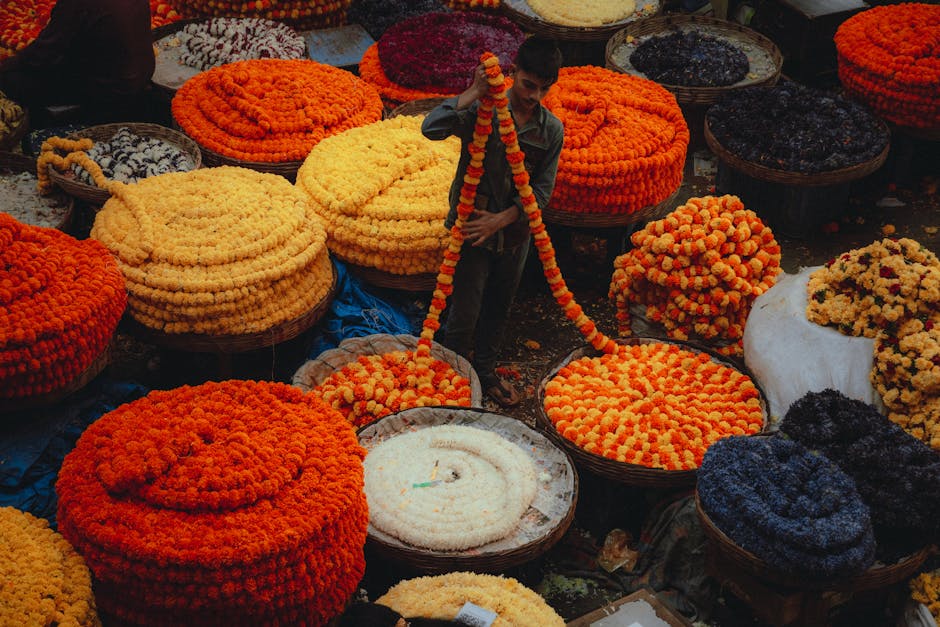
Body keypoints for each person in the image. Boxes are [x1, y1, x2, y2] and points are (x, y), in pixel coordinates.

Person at [421, 36, 564, 407]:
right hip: (472, 230)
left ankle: (484, 372)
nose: (534, 96)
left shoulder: (550, 131)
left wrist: (500, 220)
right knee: (464, 313)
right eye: (528, 85)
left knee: (500, 306)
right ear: (512, 73)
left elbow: (542, 192)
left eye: (543, 89)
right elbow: (431, 128)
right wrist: (472, 91)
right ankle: (452, 379)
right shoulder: (481, 112)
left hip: (513, 232)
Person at [0, 0, 155, 125]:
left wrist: (7, 66)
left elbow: (42, 54)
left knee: (13, 80)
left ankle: (42, 126)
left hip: (111, 90)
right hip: (139, 75)